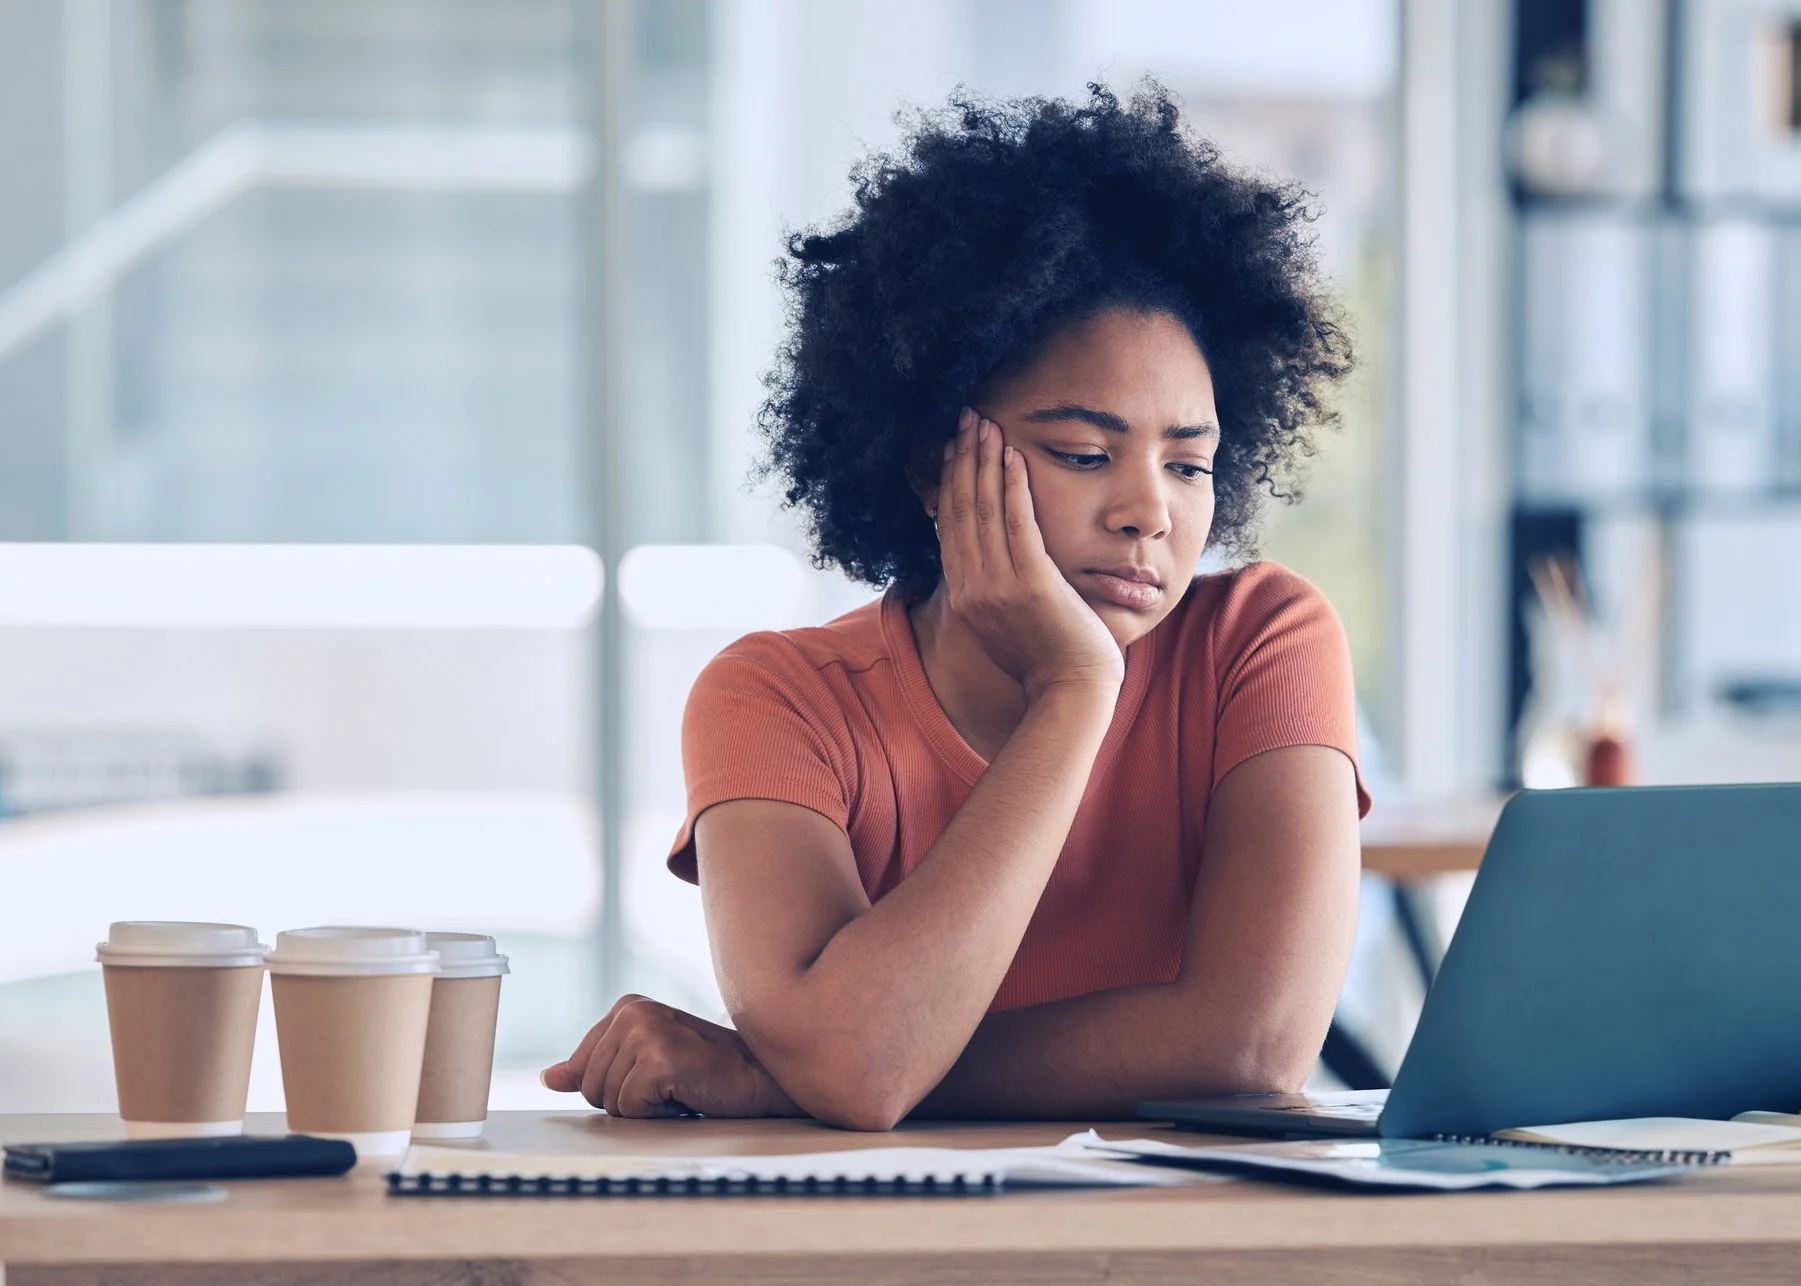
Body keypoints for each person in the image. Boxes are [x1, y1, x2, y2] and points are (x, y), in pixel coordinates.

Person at [544, 85, 1368, 1128]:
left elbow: (1252, 1046)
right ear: (936, 464)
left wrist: (793, 1071)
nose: (1146, 513)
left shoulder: (1260, 640)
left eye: (1190, 465)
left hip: (1189, 1265)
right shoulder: (777, 699)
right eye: (1082, 454)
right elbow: (856, 1066)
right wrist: (1075, 690)